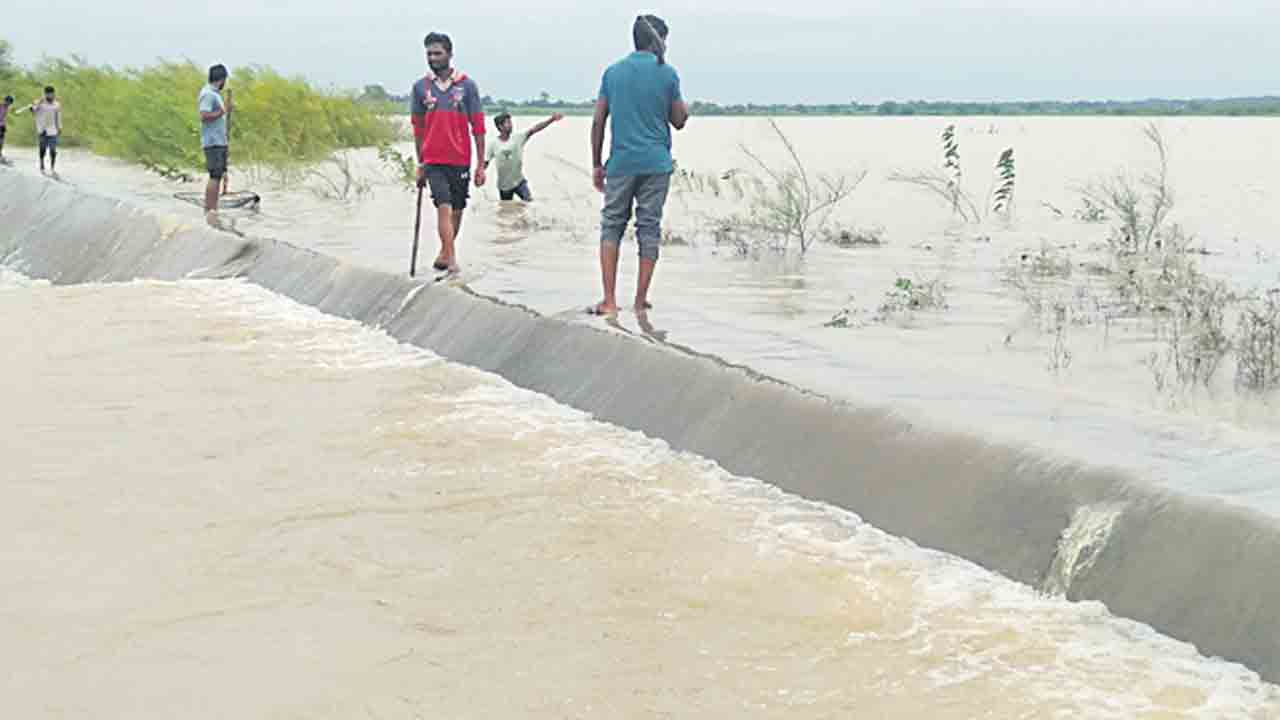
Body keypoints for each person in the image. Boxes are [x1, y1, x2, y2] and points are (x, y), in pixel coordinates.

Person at [590, 15, 688, 316]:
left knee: (612, 226)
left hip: (621, 163)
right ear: (658, 39)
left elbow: (598, 121)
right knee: (649, 228)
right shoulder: (667, 74)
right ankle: (639, 302)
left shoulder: (613, 73)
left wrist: (596, 163)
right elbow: (679, 120)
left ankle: (609, 300)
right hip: (656, 164)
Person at [410, 31, 486, 273]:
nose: (433, 58)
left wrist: (481, 164)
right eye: (429, 53)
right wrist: (421, 163)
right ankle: (452, 260)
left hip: (460, 158)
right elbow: (418, 129)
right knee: (442, 205)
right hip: (433, 159)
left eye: (437, 53)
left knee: (457, 208)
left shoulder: (467, 86)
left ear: (449, 54)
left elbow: (478, 127)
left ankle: (445, 252)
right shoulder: (421, 88)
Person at [483, 111, 563, 201]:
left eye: (511, 122)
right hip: (504, 186)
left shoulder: (518, 137)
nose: (511, 125)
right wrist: (480, 173)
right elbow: (485, 162)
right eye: (508, 123)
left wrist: (551, 119)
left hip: (519, 182)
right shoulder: (493, 144)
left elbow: (534, 129)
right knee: (506, 210)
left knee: (529, 201)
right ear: (500, 127)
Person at [198, 64, 232, 223]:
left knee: (219, 175)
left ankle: (213, 210)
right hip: (212, 142)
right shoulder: (208, 94)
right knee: (215, 175)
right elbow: (204, 116)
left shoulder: (215, 94)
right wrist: (223, 110)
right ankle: (209, 210)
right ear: (221, 79)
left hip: (220, 141)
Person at [29, 87, 62, 174]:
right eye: (47, 93)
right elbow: (32, 110)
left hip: (53, 130)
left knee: (53, 150)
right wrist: (38, 103)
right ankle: (42, 163)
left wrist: (59, 127)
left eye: (51, 93)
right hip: (42, 130)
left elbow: (58, 117)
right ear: (44, 93)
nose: (50, 95)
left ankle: (52, 168)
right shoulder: (39, 103)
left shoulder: (57, 104)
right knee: (42, 149)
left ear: (53, 93)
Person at [0, 96, 12, 162]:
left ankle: (1, 155)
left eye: (9, 103)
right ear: (4, 100)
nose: (8, 104)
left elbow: (4, 117)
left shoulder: (7, 108)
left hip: (2, 126)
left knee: (1, 142)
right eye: (7, 102)